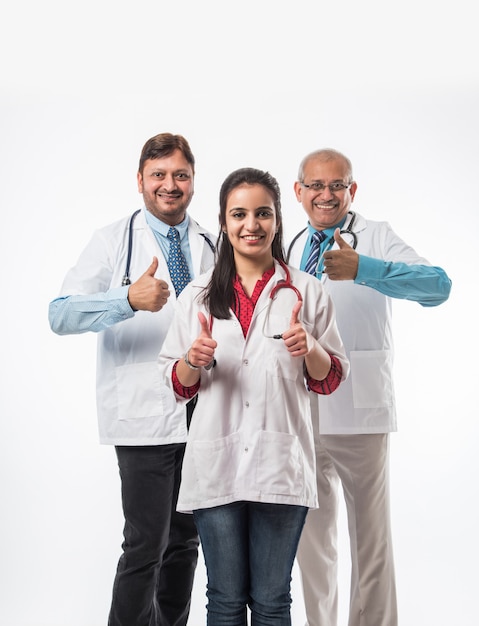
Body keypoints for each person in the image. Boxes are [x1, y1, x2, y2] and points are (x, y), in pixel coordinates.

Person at [158, 167, 349, 626]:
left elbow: (331, 378)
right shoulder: (198, 295)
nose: (252, 224)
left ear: (277, 220)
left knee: (271, 600)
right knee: (223, 598)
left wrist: (311, 347)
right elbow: (176, 382)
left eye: (263, 213)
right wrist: (193, 357)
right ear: (223, 223)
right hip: (216, 464)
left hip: (280, 463)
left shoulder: (306, 291)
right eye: (239, 214)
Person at [48, 133, 216, 626]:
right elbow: (59, 315)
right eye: (159, 175)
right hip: (143, 412)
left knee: (186, 543)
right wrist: (126, 299)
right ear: (140, 181)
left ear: (192, 182)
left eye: (180, 175)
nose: (170, 185)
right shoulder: (112, 241)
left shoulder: (211, 242)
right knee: (146, 543)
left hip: (203, 411)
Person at [287, 148, 452, 626]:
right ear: (298, 192)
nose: (326, 194)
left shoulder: (376, 236)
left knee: (371, 543)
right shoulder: (288, 241)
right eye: (315, 185)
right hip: (299, 413)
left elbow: (437, 286)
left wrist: (365, 269)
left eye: (337, 185)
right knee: (312, 546)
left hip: (358, 411)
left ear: (351, 191)